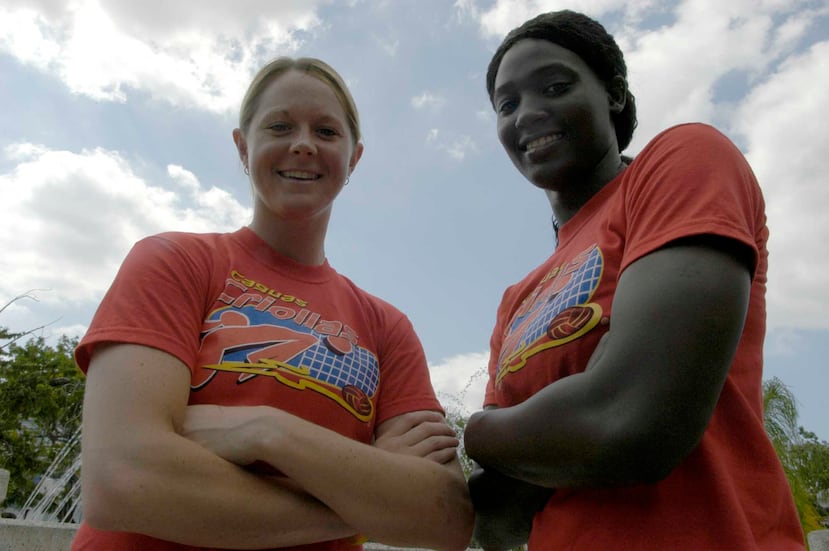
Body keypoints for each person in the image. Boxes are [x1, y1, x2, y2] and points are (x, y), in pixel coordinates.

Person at [71, 57, 473, 551]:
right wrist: (367, 494)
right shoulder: (175, 261)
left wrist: (268, 431)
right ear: (243, 146)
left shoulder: (387, 326)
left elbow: (447, 519)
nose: (303, 143)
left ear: (354, 158)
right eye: (280, 126)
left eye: (326, 131)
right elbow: (123, 479)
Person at [462, 10, 805, 551]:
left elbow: (629, 421)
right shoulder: (517, 300)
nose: (528, 113)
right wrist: (547, 430)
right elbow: (501, 514)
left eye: (555, 85)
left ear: (615, 94)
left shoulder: (682, 160)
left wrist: (479, 433)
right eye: (507, 104)